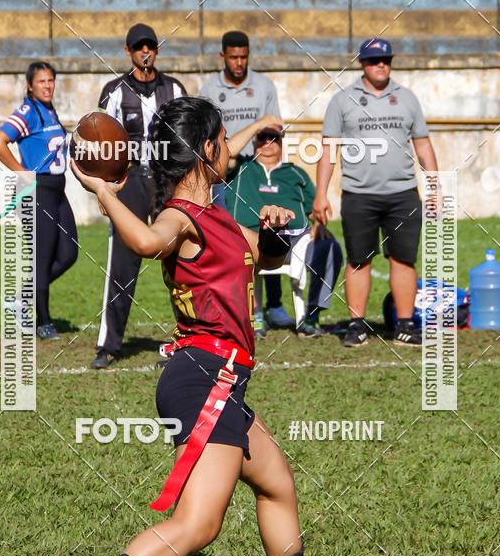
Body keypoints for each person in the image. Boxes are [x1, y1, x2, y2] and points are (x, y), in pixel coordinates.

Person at [56, 97, 346, 556]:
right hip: (200, 379)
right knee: (199, 523)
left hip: (222, 381)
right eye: (222, 141)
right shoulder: (180, 217)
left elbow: (257, 258)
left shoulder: (219, 215)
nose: (231, 150)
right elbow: (145, 241)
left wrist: (276, 235)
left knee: (277, 483)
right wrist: (104, 193)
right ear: (206, 150)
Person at [313, 37, 439, 347]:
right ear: (361, 64)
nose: (380, 65)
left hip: (403, 194)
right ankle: (357, 326)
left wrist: (436, 185)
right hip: (359, 194)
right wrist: (321, 194)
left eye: (385, 60)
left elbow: (422, 144)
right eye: (373, 60)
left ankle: (406, 326)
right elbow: (329, 149)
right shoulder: (342, 100)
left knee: (403, 259)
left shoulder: (407, 98)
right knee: (359, 260)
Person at [91, 22, 187, 369]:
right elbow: (100, 142)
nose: (145, 51)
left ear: (158, 50)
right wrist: (105, 191)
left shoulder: (174, 88)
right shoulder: (114, 91)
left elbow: (185, 139)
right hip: (129, 178)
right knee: (123, 259)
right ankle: (109, 344)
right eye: (138, 47)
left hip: (165, 179)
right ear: (128, 52)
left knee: (179, 259)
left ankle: (187, 339)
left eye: (150, 46)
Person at [199, 30, 290, 330]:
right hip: (223, 180)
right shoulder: (209, 90)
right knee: (236, 243)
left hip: (259, 174)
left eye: (244, 57)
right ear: (222, 56)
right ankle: (252, 310)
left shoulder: (264, 86)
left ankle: (275, 305)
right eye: (233, 57)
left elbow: (274, 128)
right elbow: (204, 139)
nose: (239, 63)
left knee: (270, 234)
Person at [226, 124, 343, 338]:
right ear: (253, 140)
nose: (267, 141)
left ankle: (311, 316)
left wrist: (320, 226)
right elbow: (227, 153)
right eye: (262, 136)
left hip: (296, 241)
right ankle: (254, 315)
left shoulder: (295, 173)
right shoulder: (241, 167)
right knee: (232, 245)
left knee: (330, 247)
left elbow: (315, 207)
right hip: (249, 239)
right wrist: (257, 125)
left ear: (281, 141)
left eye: (273, 137)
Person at [0, 61, 77, 340]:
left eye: (51, 80)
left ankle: (20, 298)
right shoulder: (28, 111)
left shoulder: (49, 110)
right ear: (30, 85)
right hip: (38, 191)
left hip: (57, 191)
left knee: (69, 253)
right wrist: (23, 174)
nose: (47, 85)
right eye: (41, 81)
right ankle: (44, 322)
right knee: (42, 260)